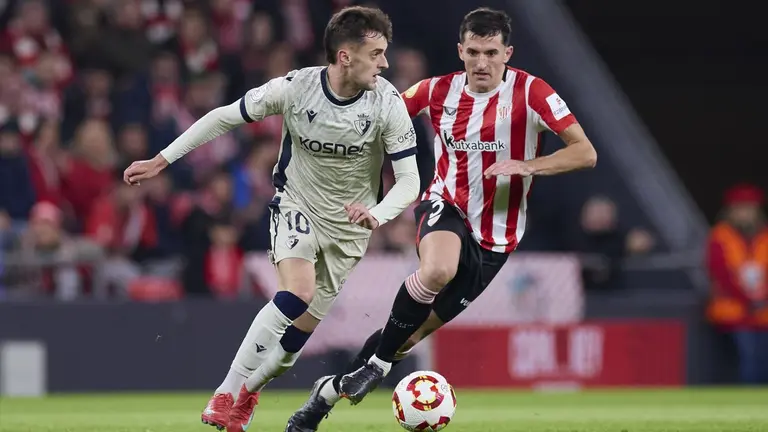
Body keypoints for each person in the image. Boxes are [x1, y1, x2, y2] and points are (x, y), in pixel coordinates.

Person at [286, 7, 597, 431]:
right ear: (460, 50)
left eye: (491, 52)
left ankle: (325, 395)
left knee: (407, 339)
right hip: (446, 204)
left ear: (508, 52)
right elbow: (379, 118)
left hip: (496, 240)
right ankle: (376, 365)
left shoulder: (533, 93)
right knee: (436, 269)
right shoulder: (435, 91)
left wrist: (528, 165)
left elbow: (585, 152)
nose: (481, 62)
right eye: (473, 52)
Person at [123, 6, 420, 432]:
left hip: (350, 231)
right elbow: (225, 115)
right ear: (345, 56)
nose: (385, 63)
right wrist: (162, 159)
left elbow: (410, 181)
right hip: (297, 205)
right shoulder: (297, 87)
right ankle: (225, 393)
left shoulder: (387, 103)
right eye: (376, 54)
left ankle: (249, 394)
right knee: (295, 292)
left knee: (291, 346)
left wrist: (378, 213)